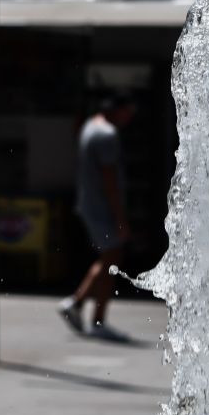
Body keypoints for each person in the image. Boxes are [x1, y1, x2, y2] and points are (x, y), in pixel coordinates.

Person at [58, 94, 137, 340]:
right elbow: (110, 181)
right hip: (101, 208)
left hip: (90, 205)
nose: (129, 119)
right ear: (117, 109)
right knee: (112, 258)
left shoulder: (90, 126)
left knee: (108, 257)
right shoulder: (107, 135)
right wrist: (121, 219)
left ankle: (78, 303)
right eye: (128, 113)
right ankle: (96, 318)